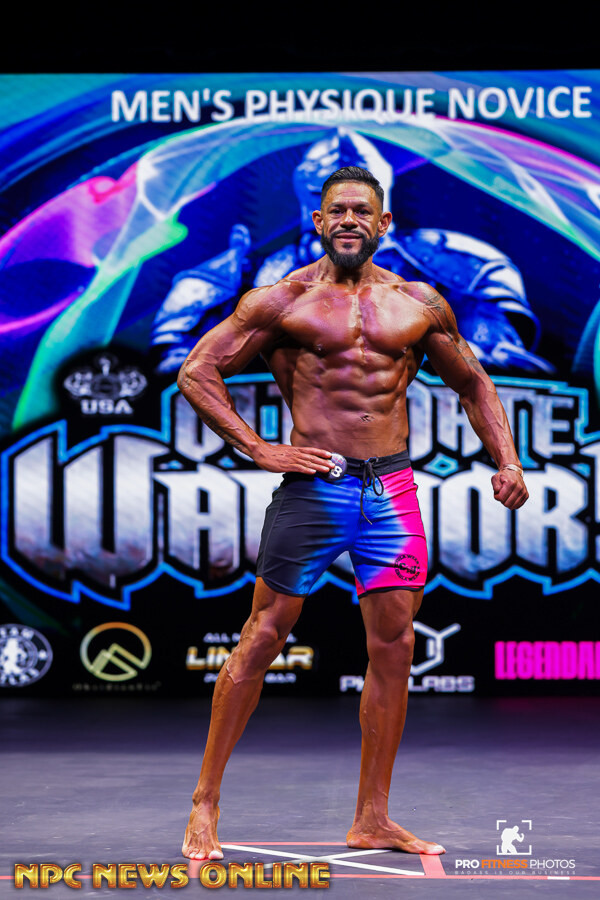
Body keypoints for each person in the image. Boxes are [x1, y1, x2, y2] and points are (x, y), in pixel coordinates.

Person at [177, 165, 528, 860]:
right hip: (316, 489)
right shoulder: (282, 301)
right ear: (318, 220)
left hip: (391, 492)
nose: (348, 220)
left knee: (395, 647)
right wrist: (258, 447)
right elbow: (198, 370)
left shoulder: (417, 303)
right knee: (264, 636)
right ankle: (205, 801)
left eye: (361, 211)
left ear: (382, 223)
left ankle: (372, 817)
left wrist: (508, 460)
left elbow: (473, 382)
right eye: (336, 210)